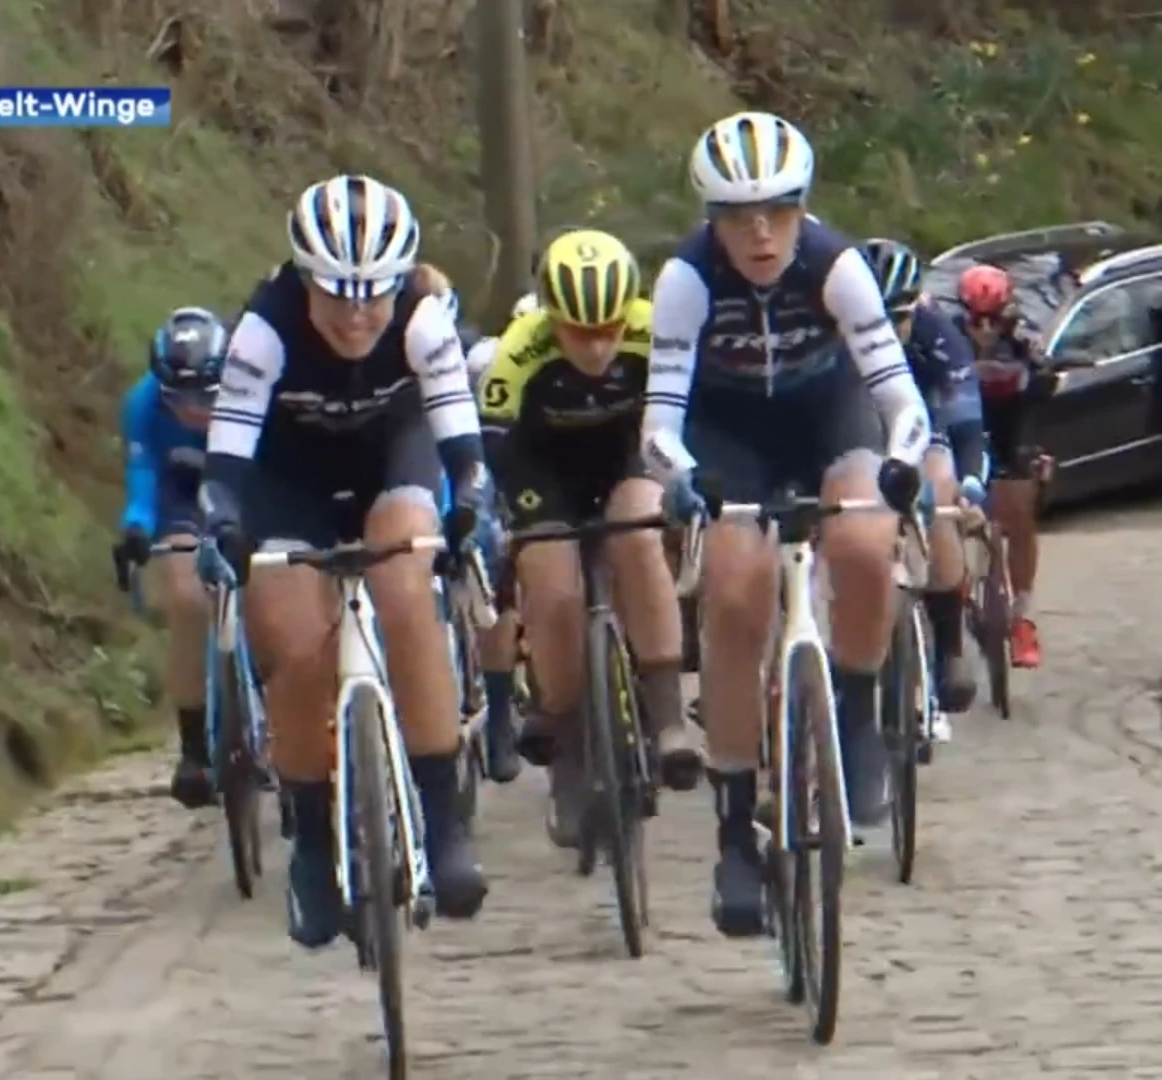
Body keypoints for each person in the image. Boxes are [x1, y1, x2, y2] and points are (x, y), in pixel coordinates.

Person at [641, 110, 931, 938]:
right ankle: (736, 829)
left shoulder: (836, 266)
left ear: (804, 207)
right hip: (730, 434)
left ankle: (861, 715)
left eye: (778, 211)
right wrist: (683, 477)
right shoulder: (687, 280)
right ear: (712, 219)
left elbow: (897, 394)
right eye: (738, 216)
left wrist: (903, 463)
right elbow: (658, 419)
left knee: (866, 540)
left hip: (828, 419)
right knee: (735, 594)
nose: (761, 233)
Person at [200, 174, 501, 949]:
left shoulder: (423, 320)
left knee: (407, 597)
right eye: (337, 295)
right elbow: (228, 457)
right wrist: (220, 522)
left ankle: (442, 822)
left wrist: (474, 505)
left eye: (375, 293)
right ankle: (312, 842)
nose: (359, 313)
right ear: (303, 279)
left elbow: (462, 445)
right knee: (297, 652)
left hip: (390, 463)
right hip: (286, 483)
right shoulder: (263, 330)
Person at [477, 229, 703, 848]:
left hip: (628, 457)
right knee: (553, 593)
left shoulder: (654, 331)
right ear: (552, 318)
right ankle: (570, 755)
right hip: (542, 471)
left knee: (638, 538)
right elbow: (493, 440)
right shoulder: (520, 351)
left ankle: (667, 717)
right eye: (580, 331)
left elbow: (691, 413)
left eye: (609, 326)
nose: (600, 344)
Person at [861, 238, 984, 716]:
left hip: (925, 426)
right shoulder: (835, 332)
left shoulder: (938, 335)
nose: (887, 333)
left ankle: (950, 645)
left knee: (939, 485)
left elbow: (969, 428)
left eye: (898, 319)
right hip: (861, 432)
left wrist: (972, 486)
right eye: (875, 321)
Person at [114, 307, 230, 808]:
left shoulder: (254, 392)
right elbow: (143, 480)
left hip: (242, 484)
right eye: (179, 398)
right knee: (186, 601)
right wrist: (136, 527)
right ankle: (194, 749)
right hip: (180, 494)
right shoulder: (141, 405)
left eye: (206, 395)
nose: (194, 410)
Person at [956, 264, 1059, 669]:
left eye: (993, 319)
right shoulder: (946, 335)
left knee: (1019, 513)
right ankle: (954, 587)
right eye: (975, 319)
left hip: (1010, 427)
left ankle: (1023, 618)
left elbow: (1045, 378)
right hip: (962, 424)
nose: (984, 328)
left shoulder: (1021, 339)